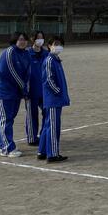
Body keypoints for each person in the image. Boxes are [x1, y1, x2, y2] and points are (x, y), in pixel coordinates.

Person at [0, 31, 31, 157]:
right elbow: (10, 72)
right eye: (20, 39)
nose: (23, 42)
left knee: (9, 119)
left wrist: (25, 89)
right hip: (4, 93)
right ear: (15, 40)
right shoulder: (9, 52)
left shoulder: (26, 54)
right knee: (6, 119)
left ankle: (2, 144)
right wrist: (23, 88)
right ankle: (7, 148)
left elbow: (27, 73)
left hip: (16, 93)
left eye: (24, 39)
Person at [38, 35, 71, 163]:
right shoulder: (50, 60)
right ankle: (52, 154)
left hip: (55, 99)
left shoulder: (56, 60)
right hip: (53, 99)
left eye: (60, 44)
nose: (58, 46)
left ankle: (42, 151)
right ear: (49, 46)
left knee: (48, 125)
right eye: (55, 44)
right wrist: (58, 92)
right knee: (53, 126)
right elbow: (48, 80)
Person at [25, 30, 48, 145]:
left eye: (42, 37)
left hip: (45, 91)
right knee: (31, 115)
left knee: (47, 113)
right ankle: (32, 138)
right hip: (31, 91)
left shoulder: (46, 54)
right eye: (38, 37)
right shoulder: (27, 54)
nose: (40, 40)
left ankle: (43, 135)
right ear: (32, 39)